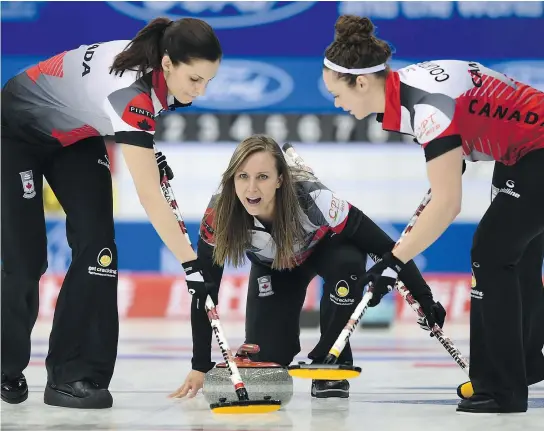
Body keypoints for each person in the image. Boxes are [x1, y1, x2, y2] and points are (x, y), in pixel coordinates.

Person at [321, 14, 544, 414]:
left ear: (361, 82)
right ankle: (523, 366)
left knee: (491, 254)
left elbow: (447, 204)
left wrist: (393, 263)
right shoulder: (407, 87)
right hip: (520, 150)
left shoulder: (424, 108)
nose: (338, 105)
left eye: (337, 95)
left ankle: (502, 390)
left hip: (535, 150)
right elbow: (476, 113)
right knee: (516, 256)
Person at [1, 17, 222, 409]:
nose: (200, 91)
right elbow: (149, 196)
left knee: (99, 248)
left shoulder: (155, 68)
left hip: (75, 134)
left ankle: (74, 375)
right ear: (167, 64)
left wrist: (147, 151)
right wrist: (191, 265)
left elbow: (107, 111)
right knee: (25, 260)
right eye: (195, 80)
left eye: (208, 80)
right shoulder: (131, 90)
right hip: (15, 130)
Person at [168, 134, 446, 400]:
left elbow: (386, 248)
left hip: (328, 249)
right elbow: (204, 294)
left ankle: (333, 358)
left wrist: (424, 298)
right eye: (243, 177)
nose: (251, 188)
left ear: (279, 179)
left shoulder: (315, 199)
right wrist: (200, 364)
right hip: (275, 266)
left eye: (262, 177)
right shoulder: (220, 214)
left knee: (348, 268)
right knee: (269, 359)